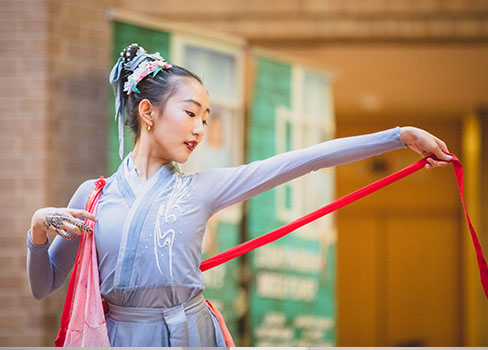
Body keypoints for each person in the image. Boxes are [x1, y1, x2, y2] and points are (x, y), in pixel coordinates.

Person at [26, 43, 453, 347]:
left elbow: (304, 159)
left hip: (191, 335)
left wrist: (399, 136)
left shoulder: (201, 189)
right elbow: (43, 286)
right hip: (121, 338)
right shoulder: (93, 196)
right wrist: (38, 229)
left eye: (206, 119)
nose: (199, 129)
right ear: (148, 112)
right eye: (191, 112)